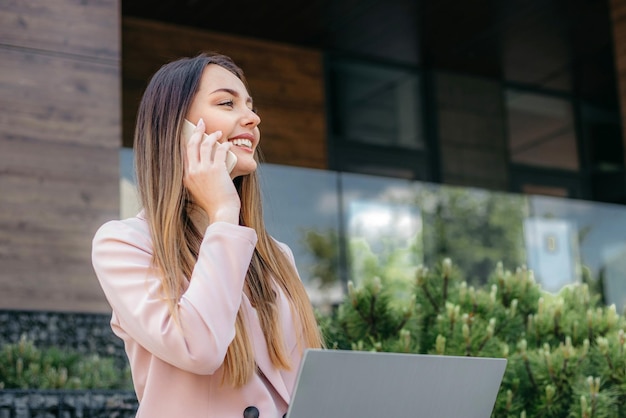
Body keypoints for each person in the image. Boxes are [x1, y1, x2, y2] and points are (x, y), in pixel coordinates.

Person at [91, 52, 324, 418]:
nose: (252, 117)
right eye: (227, 103)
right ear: (177, 128)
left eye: (250, 105)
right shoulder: (124, 244)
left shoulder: (277, 255)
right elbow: (197, 348)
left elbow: (306, 385)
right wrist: (222, 211)